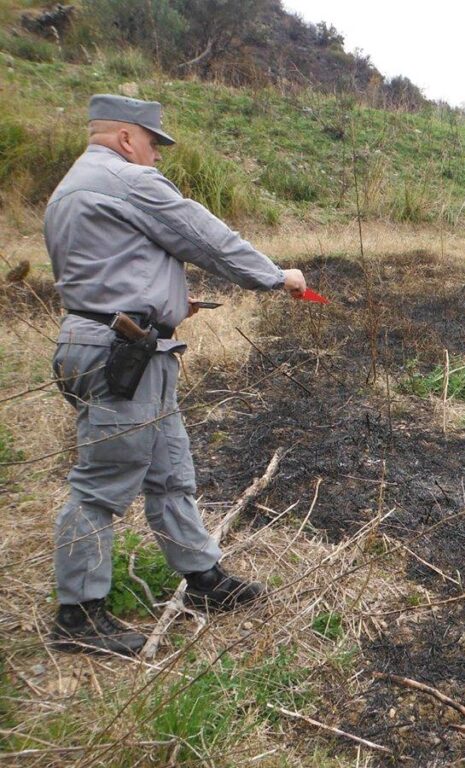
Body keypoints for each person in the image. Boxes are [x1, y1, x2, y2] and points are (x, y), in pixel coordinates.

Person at [44, 94, 306, 655]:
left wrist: (165, 302)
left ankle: (203, 579)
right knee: (100, 485)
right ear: (124, 138)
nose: (156, 157)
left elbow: (109, 270)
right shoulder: (128, 180)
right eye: (153, 144)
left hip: (111, 343)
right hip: (122, 353)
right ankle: (79, 615)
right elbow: (207, 237)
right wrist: (275, 276)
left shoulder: (69, 188)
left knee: (169, 471)